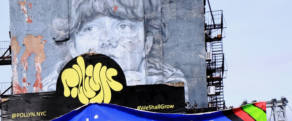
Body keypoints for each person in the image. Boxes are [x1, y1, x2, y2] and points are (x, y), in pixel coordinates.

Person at [46, 0, 187, 93]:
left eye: (123, 27)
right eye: (91, 29)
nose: (107, 39)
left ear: (147, 44)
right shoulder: (55, 82)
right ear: (73, 47)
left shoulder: (168, 79)